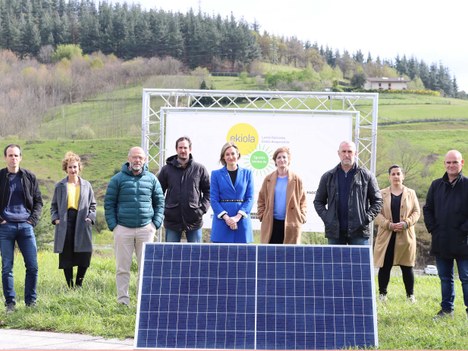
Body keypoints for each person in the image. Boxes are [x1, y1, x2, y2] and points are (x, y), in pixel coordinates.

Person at [104, 146, 164, 306]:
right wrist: (114, 226)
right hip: (123, 229)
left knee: (145, 268)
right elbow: (109, 203)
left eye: (141, 158)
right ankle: (123, 301)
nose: (137, 160)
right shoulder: (117, 179)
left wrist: (155, 224)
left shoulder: (152, 179)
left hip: (146, 229)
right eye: (134, 157)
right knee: (123, 267)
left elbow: (160, 202)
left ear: (145, 160)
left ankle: (141, 302)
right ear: (129, 159)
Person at [423, 150, 468, 319]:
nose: (451, 165)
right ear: (444, 164)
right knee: (445, 278)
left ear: (461, 163)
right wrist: (433, 229)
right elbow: (427, 209)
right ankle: (446, 310)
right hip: (441, 240)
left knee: (466, 277)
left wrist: (463, 230)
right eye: (448, 162)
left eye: (454, 162)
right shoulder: (436, 185)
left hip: (464, 241)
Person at [0, 144, 43, 313]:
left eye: (16, 155)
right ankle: (10, 303)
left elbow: (38, 201)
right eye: (10, 155)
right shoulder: (0, 177)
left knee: (32, 266)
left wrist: (32, 221)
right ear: (5, 158)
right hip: (5, 227)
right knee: (7, 267)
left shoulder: (29, 177)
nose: (13, 158)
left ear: (20, 157)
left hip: (26, 227)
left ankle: (30, 302)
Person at [313, 140, 383, 245]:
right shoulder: (328, 176)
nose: (346, 155)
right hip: (335, 232)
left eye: (350, 151)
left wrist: (365, 218)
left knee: (359, 262)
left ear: (355, 153)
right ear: (338, 153)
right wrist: (328, 218)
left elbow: (378, 201)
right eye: (344, 151)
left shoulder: (367, 176)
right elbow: (318, 202)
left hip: (359, 232)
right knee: (334, 261)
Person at [373, 165, 420, 303]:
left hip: (405, 236)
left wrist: (406, 223)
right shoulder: (381, 193)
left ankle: (410, 296)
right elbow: (376, 213)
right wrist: (388, 224)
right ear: (389, 176)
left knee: (407, 267)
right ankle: (382, 295)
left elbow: (417, 212)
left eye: (398, 173)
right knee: (384, 266)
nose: (396, 176)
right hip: (387, 236)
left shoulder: (411, 193)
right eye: (393, 174)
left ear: (403, 176)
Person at [51, 152, 97, 288]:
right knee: (67, 254)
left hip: (82, 221)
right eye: (70, 167)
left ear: (79, 168)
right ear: (66, 168)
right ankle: (70, 286)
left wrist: (90, 218)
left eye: (75, 167)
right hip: (65, 222)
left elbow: (93, 205)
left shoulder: (87, 185)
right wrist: (56, 219)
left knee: (84, 253)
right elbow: (53, 206)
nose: (73, 170)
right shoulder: (59, 186)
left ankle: (79, 284)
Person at [157, 136, 210, 243]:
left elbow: (209, 192)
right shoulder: (166, 169)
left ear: (190, 149)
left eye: (185, 148)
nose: (183, 150)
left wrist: (201, 210)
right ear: (176, 149)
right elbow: (158, 193)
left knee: (195, 255)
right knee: (171, 254)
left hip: (194, 220)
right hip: (172, 220)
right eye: (180, 148)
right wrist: (164, 210)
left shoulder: (199, 169)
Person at [257, 147, 307, 244]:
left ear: (288, 160)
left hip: (291, 223)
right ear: (275, 161)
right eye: (279, 157)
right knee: (271, 255)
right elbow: (261, 198)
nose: (282, 160)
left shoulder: (297, 179)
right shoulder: (268, 179)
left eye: (284, 157)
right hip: (272, 222)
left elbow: (303, 200)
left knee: (289, 255)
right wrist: (262, 215)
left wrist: (302, 215)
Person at [210, 142, 254, 243]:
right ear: (223, 157)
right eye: (227, 154)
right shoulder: (216, 174)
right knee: (221, 256)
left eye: (233, 153)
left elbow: (250, 198)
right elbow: (213, 199)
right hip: (222, 222)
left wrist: (237, 217)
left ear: (238, 155)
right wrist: (227, 219)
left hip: (242, 221)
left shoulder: (248, 173)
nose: (231, 156)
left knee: (243, 256)